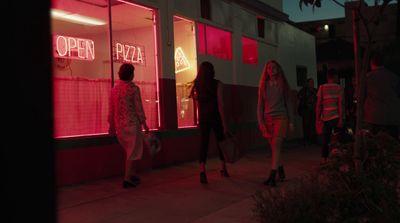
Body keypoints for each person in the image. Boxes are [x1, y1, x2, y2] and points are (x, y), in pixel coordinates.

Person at [108, 63, 149, 188]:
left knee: (130, 151)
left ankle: (132, 175)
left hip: (120, 127)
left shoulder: (114, 90)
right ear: (131, 74)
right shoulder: (133, 89)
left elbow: (111, 109)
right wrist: (144, 123)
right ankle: (127, 179)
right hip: (132, 125)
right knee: (133, 152)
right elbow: (138, 108)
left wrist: (111, 125)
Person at [190, 61, 230, 184]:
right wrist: (224, 123)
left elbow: (197, 104)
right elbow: (220, 104)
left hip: (203, 118)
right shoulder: (218, 84)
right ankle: (223, 168)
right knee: (221, 143)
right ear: (212, 71)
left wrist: (198, 119)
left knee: (204, 144)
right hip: (216, 117)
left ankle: (202, 171)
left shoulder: (197, 85)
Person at [257, 60, 294, 187]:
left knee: (277, 144)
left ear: (278, 69)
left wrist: (291, 121)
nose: (271, 69)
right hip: (268, 120)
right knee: (274, 148)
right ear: (266, 71)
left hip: (281, 118)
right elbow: (260, 106)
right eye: (269, 68)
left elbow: (288, 102)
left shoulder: (282, 84)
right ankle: (280, 169)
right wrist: (261, 122)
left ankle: (272, 175)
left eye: (274, 67)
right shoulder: (263, 85)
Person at [363, 52, 400, 140]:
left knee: (375, 143)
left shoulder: (367, 78)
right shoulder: (394, 77)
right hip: (392, 117)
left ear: (371, 63)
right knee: (392, 144)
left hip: (373, 117)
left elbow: (361, 96)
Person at [316, 68, 344, 164]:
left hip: (325, 118)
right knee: (337, 139)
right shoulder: (339, 88)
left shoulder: (322, 88)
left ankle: (324, 159)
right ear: (335, 76)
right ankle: (337, 158)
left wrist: (317, 119)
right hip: (336, 116)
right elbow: (340, 104)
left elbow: (319, 105)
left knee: (325, 139)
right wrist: (341, 118)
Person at [297, 78, 318, 146]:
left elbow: (317, 98)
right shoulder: (304, 90)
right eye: (310, 82)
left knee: (313, 125)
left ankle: (313, 139)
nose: (312, 84)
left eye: (313, 82)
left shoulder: (315, 90)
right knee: (306, 125)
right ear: (307, 83)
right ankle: (306, 140)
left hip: (313, 110)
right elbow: (299, 97)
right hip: (306, 110)